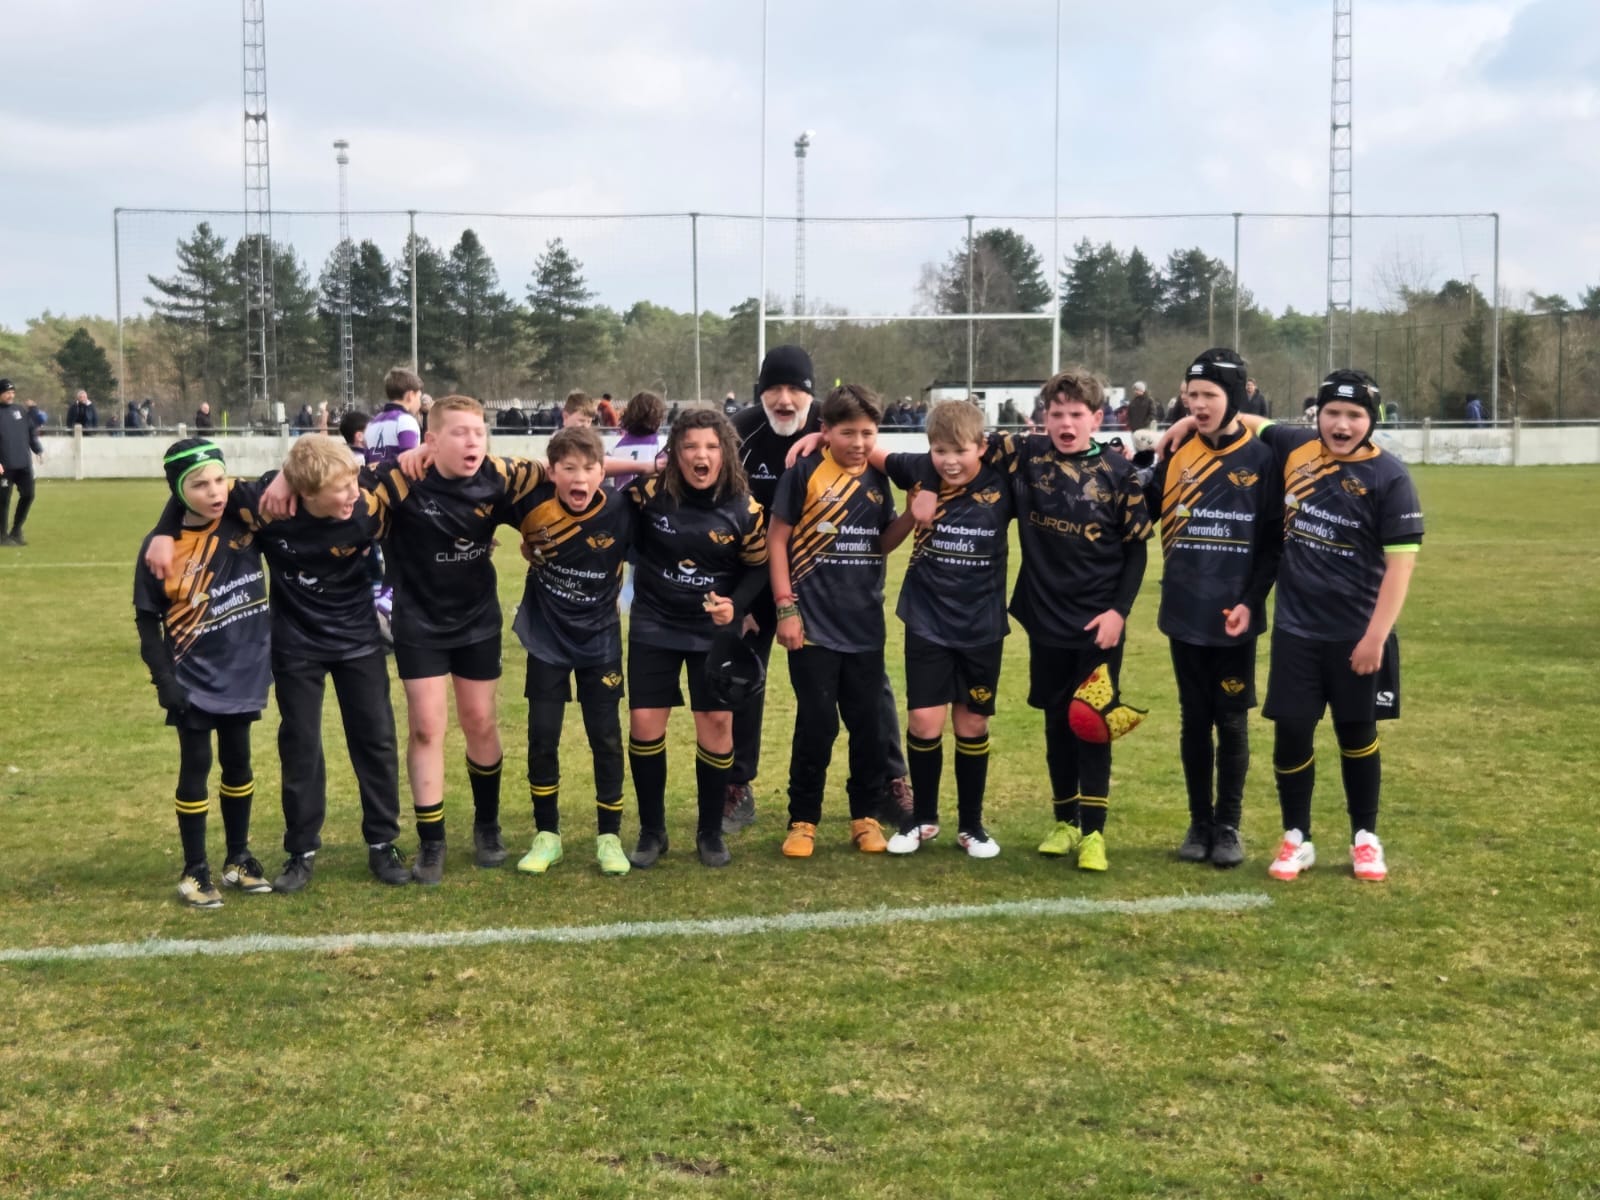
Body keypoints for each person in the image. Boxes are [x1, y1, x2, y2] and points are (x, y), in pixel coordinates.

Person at [143, 436, 412, 891]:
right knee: (301, 744)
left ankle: (383, 844)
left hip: (359, 641)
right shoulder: (266, 505)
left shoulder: (368, 497)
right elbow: (195, 488)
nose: (352, 494)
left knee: (376, 740)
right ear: (305, 494)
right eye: (340, 490)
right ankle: (300, 851)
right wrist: (163, 533)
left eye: (353, 484)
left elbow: (424, 471)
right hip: (296, 643)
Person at [328, 396, 541, 884]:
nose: (473, 442)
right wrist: (283, 480)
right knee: (426, 728)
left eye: (479, 432)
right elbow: (338, 482)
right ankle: (432, 841)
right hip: (419, 621)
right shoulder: (400, 479)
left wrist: (534, 538)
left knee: (480, 722)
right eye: (460, 433)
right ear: (433, 440)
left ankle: (487, 827)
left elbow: (562, 471)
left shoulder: (500, 474)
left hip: (477, 620)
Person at [731, 346, 915, 835]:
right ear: (760, 392)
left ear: (812, 396)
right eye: (774, 388)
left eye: (796, 389)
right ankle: (736, 783)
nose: (784, 399)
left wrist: (826, 437)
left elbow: (883, 458)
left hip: (828, 586)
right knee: (742, 675)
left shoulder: (836, 426)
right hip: (755, 573)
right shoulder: (740, 430)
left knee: (871, 688)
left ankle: (891, 782)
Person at [1252, 370, 1421, 883]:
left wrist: (1374, 638)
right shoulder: (1296, 447)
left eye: (1354, 415)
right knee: (1292, 732)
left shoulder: (1390, 478)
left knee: (1357, 732)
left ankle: (1365, 838)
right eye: (1332, 413)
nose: (1342, 425)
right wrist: (1181, 426)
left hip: (1357, 636)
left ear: (1372, 420)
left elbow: (1400, 568)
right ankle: (1296, 837)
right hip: (1296, 632)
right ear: (1317, 415)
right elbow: (1250, 422)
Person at [984, 367, 1153, 871]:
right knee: (1057, 721)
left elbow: (1137, 552)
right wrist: (822, 434)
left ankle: (1094, 833)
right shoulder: (1025, 455)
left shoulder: (1119, 473)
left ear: (1097, 418)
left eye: (1076, 414)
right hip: (1045, 620)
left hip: (1098, 625)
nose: (1065, 423)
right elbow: (957, 443)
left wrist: (1118, 613)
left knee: (1092, 723)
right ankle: (1064, 821)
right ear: (1044, 417)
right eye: (1056, 413)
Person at [1146, 349, 1282, 868]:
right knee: (1193, 720)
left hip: (1234, 616)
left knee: (1231, 721)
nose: (1198, 405)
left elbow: (1272, 544)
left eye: (1209, 395)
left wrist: (1251, 601)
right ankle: (1198, 822)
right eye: (1191, 396)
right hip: (1184, 610)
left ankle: (1228, 826)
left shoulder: (1264, 459)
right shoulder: (1175, 454)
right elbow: (1137, 511)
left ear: (1236, 396)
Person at [623, 409, 768, 869]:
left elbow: (759, 566)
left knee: (717, 724)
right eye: (689, 446)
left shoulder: (745, 508)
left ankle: (710, 832)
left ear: (725, 453)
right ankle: (652, 832)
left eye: (710, 446)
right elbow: (605, 519)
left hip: (712, 631)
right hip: (654, 623)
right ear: (675, 454)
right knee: (645, 724)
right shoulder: (648, 494)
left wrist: (735, 606)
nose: (700, 455)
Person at [134, 439, 272, 908]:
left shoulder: (243, 521)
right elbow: (147, 620)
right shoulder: (160, 548)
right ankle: (195, 869)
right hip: (191, 675)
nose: (214, 491)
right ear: (178, 491)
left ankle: (238, 858)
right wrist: (164, 681)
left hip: (243, 671)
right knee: (196, 766)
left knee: (239, 763)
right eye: (199, 485)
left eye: (219, 479)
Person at [877, 400, 1015, 858]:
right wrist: (819, 436)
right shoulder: (918, 470)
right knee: (923, 721)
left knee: (972, 723)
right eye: (940, 451)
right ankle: (922, 819)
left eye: (960, 451)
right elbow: (872, 452)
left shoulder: (1003, 480)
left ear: (982, 446)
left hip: (981, 623)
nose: (949, 461)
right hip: (927, 617)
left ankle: (972, 826)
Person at [1, 379, 45, 545]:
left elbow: (30, 432)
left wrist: (37, 449)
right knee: (3, 501)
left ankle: (16, 531)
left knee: (28, 495)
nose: (11, 395)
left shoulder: (19, 410)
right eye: (7, 393)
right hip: (4, 465)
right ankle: (2, 535)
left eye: (12, 392)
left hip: (23, 463)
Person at [365, 368, 424, 465]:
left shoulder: (372, 423)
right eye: (419, 397)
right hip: (395, 475)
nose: (420, 403)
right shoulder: (406, 421)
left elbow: (367, 461)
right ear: (410, 395)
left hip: (375, 474)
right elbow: (408, 461)